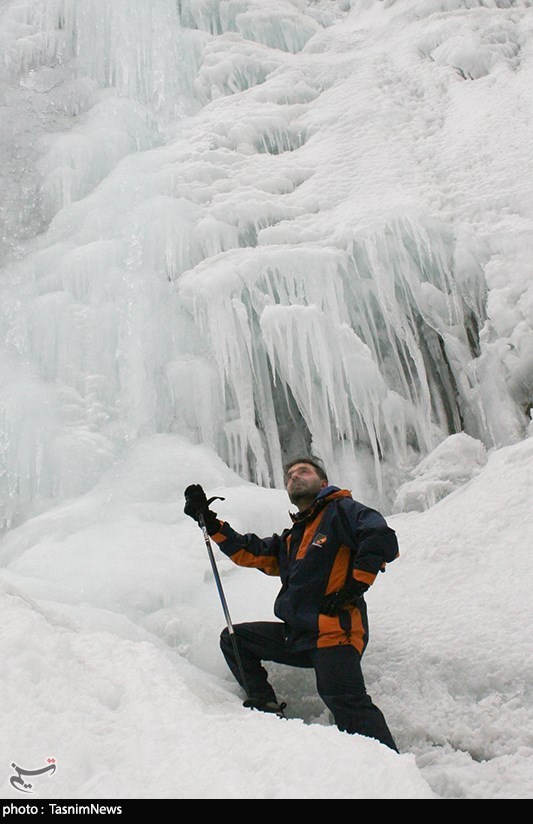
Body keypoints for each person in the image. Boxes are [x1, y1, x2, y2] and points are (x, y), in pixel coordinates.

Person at [184, 457, 399, 751]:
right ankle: (266, 708)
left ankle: (389, 773)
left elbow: (379, 536)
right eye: (289, 476)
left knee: (346, 702)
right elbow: (251, 551)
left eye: (303, 472)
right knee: (235, 640)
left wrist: (354, 587)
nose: (294, 477)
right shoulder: (293, 539)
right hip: (298, 634)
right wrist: (210, 522)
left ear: (323, 483)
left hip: (334, 633)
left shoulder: (341, 510)